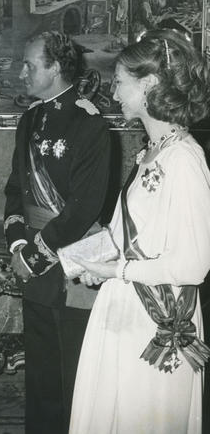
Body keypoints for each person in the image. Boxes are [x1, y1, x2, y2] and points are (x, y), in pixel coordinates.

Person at [69, 29, 210, 434]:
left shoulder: (184, 160)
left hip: (155, 315)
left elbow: (194, 265)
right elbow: (127, 236)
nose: (113, 93)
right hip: (125, 305)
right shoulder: (151, 152)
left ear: (148, 84)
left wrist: (116, 271)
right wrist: (88, 262)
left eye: (118, 82)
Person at [4, 32, 111, 434]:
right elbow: (15, 190)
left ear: (55, 68)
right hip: (32, 264)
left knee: (72, 378)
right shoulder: (30, 119)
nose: (22, 73)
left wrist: (34, 256)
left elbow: (84, 208)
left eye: (30, 65)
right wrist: (18, 243)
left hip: (70, 265)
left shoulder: (89, 123)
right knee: (41, 378)